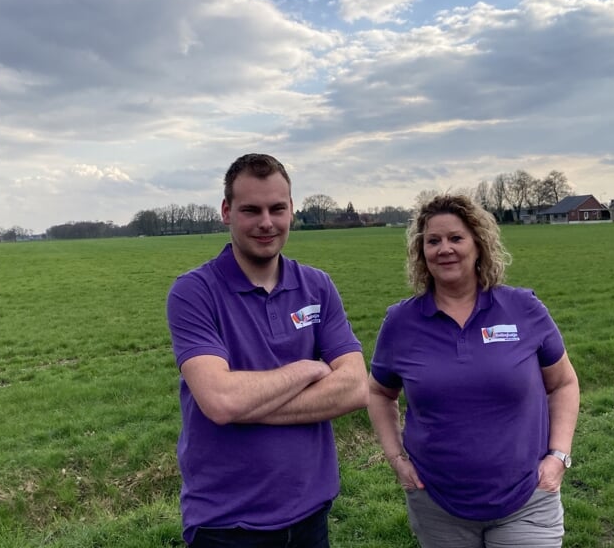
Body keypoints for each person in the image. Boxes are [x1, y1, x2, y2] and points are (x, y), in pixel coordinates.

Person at [166, 153, 369, 548]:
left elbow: (356, 386)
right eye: (250, 210)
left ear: (292, 210)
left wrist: (250, 405)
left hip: (311, 511)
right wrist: (309, 370)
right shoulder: (194, 292)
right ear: (226, 212)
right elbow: (221, 402)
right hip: (226, 523)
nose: (266, 222)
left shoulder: (317, 286)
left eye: (277, 208)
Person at [367, 194, 580, 548]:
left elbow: (563, 383)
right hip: (437, 504)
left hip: (527, 499)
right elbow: (378, 392)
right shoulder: (401, 323)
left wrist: (558, 456)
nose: (444, 248)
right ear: (421, 253)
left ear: (479, 245)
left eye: (456, 238)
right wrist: (397, 460)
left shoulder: (523, 308)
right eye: (433, 241)